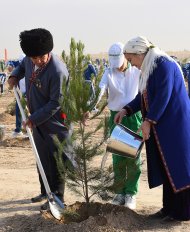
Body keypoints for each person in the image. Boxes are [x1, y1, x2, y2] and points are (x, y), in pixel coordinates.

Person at [114, 36, 190, 221]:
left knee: (179, 167)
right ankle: (168, 209)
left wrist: (148, 121)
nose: (132, 65)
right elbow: (144, 96)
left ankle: (183, 213)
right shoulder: (150, 66)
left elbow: (163, 96)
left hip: (174, 125)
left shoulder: (163, 64)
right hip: (162, 125)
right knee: (166, 168)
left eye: (131, 60)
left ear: (140, 54)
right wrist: (126, 109)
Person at [8, 28, 69, 210]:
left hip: (55, 121)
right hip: (36, 119)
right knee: (40, 155)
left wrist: (33, 118)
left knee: (56, 158)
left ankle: (57, 197)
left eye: (41, 57)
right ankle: (45, 191)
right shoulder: (29, 58)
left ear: (48, 52)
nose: (38, 61)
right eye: (34, 58)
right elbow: (21, 66)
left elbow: (55, 103)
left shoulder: (57, 71)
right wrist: (14, 76)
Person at [98, 42, 142, 210]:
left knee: (133, 156)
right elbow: (100, 89)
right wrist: (89, 107)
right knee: (118, 156)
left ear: (125, 57)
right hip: (115, 117)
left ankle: (131, 193)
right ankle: (119, 192)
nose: (117, 67)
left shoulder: (136, 70)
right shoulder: (108, 71)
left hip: (133, 115)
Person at [7, 55, 27, 138]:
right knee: (19, 109)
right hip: (20, 91)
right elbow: (10, 66)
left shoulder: (30, 61)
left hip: (28, 91)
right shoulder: (22, 60)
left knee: (29, 111)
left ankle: (28, 131)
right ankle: (18, 130)